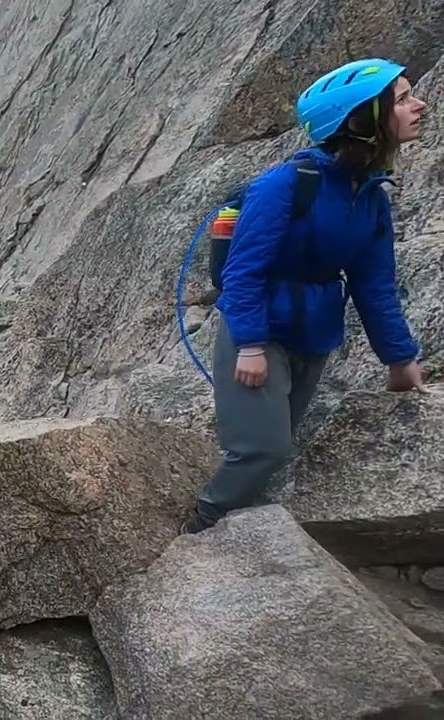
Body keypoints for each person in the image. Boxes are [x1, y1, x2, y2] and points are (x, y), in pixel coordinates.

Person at [181, 57, 430, 535]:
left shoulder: (369, 195)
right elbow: (244, 269)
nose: (419, 105)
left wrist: (400, 359)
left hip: (312, 336)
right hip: (259, 332)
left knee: (279, 443)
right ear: (361, 120)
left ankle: (241, 532)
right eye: (401, 99)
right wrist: (250, 344)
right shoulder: (285, 185)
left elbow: (374, 285)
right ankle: (200, 527)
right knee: (262, 448)